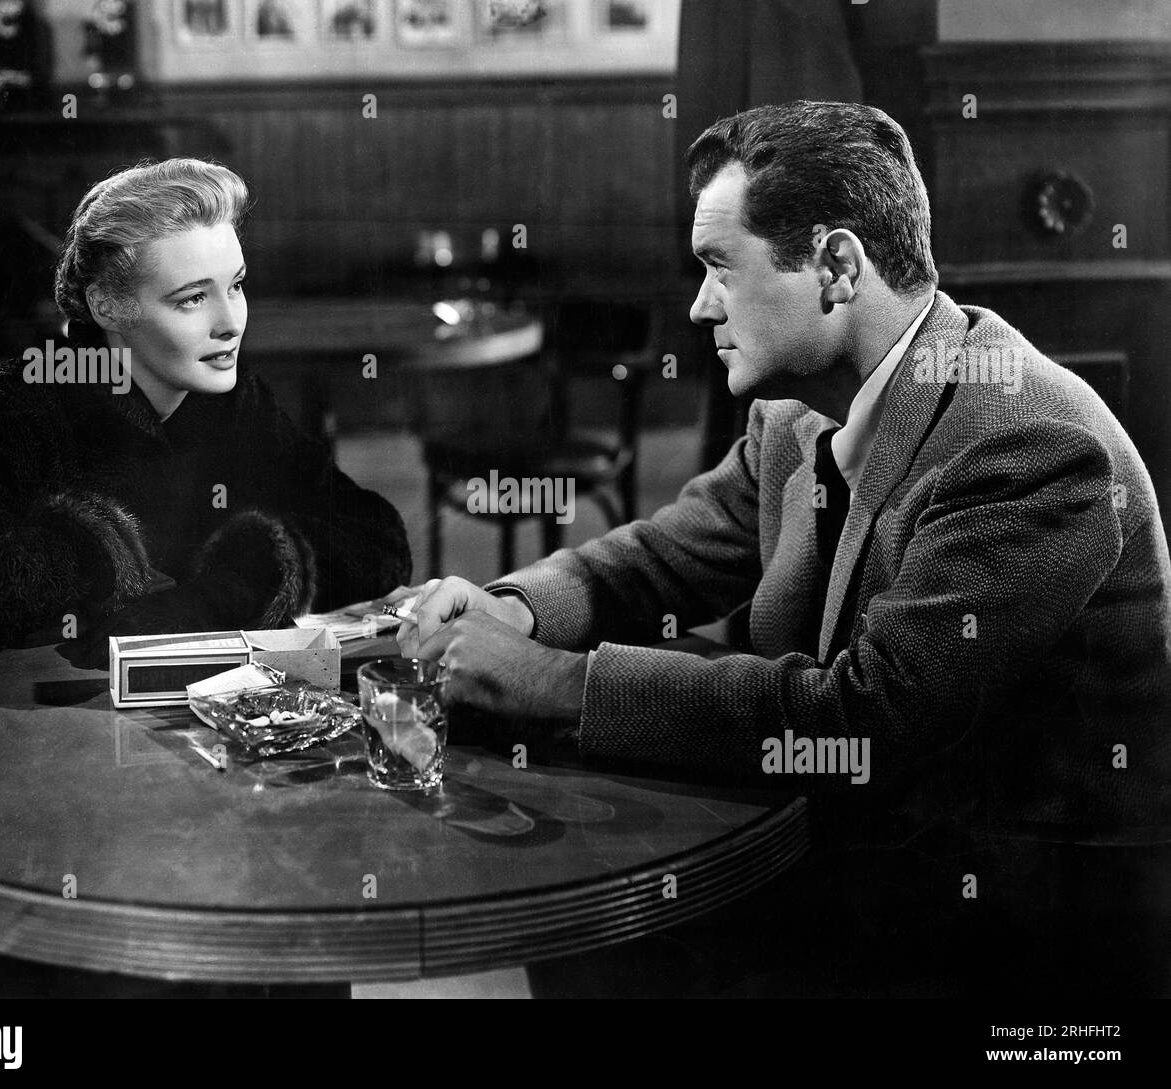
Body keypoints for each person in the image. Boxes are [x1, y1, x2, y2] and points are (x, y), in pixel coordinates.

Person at [399, 102, 1171, 994]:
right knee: (581, 902)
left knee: (603, 913)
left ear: (838, 267)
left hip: (1016, 923)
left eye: (720, 268)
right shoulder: (795, 410)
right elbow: (660, 559)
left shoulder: (1026, 442)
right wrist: (515, 609)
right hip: (880, 848)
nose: (698, 306)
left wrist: (536, 678)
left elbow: (866, 724)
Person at [0, 158, 411, 672]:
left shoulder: (236, 404)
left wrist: (230, 588)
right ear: (108, 306)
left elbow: (378, 536)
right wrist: (105, 552)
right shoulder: (17, 405)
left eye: (237, 286)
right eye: (192, 299)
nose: (230, 323)